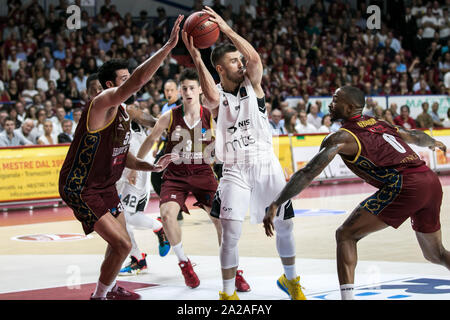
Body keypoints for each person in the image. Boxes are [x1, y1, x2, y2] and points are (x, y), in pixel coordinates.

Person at [264, 86, 449, 300]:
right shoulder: (380, 123)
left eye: (335, 100)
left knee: (345, 235)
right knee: (435, 254)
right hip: (430, 180)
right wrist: (432, 141)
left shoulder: (342, 137)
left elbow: (308, 172)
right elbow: (414, 137)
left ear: (350, 106)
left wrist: (277, 202)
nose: (330, 105)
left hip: (405, 184)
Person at [182, 6, 304, 300]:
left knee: (285, 226)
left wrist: (225, 29)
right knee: (230, 233)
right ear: (220, 69)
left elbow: (255, 59)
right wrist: (198, 57)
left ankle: (291, 281)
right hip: (235, 169)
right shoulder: (216, 97)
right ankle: (227, 294)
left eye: (239, 60)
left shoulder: (254, 86)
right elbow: (209, 93)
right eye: (233, 61)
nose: (240, 64)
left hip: (266, 166)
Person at [58, 15, 184, 300]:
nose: (131, 85)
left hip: (105, 186)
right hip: (81, 187)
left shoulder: (124, 114)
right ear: (108, 85)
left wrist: (147, 165)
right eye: (124, 81)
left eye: (128, 78)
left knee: (120, 242)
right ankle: (99, 297)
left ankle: (110, 287)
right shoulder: (100, 103)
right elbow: (139, 79)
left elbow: (122, 154)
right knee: (123, 245)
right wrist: (167, 48)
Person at [135, 68, 250, 292]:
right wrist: (136, 164)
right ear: (180, 91)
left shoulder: (211, 115)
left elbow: (225, 142)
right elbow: (150, 140)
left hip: (203, 175)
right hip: (175, 176)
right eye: (184, 88)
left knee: (223, 223)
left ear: (199, 90)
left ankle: (233, 271)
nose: (188, 91)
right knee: (167, 216)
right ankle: (184, 264)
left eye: (192, 88)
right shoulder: (169, 116)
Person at [116, 105, 171, 276]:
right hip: (121, 170)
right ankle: (138, 255)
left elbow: (146, 118)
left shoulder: (125, 107)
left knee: (124, 217)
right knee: (119, 217)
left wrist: (161, 122)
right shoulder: (101, 109)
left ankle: (139, 257)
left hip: (136, 168)